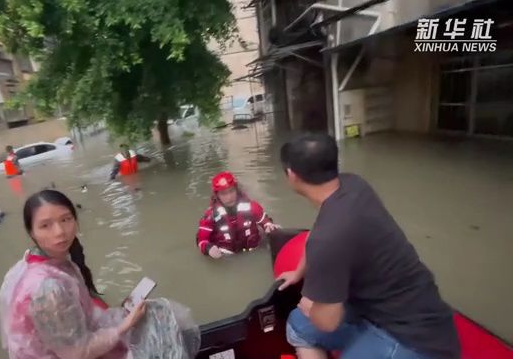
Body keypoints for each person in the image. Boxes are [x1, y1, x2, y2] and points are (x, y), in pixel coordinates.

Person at [276, 134, 460, 359]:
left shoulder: (328, 240)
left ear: (292, 175)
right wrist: (298, 272)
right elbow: (318, 231)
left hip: (414, 339)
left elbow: (327, 322)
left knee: (307, 316)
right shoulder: (353, 184)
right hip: (392, 310)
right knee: (297, 325)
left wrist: (310, 307)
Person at [0, 190, 200, 359]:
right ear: (31, 232)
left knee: (156, 311)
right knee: (159, 324)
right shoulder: (49, 288)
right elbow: (77, 352)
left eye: (65, 219)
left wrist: (121, 316)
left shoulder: (32, 262)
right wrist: (124, 325)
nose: (59, 231)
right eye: (45, 225)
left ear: (75, 221)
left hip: (63, 343)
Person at [196, 171, 279, 259]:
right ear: (217, 195)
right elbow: (201, 240)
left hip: (254, 251)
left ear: (237, 190)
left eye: (231, 191)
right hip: (226, 257)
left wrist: (269, 226)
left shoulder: (252, 207)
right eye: (224, 193)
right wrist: (208, 249)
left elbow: (266, 221)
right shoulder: (210, 216)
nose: (229, 197)